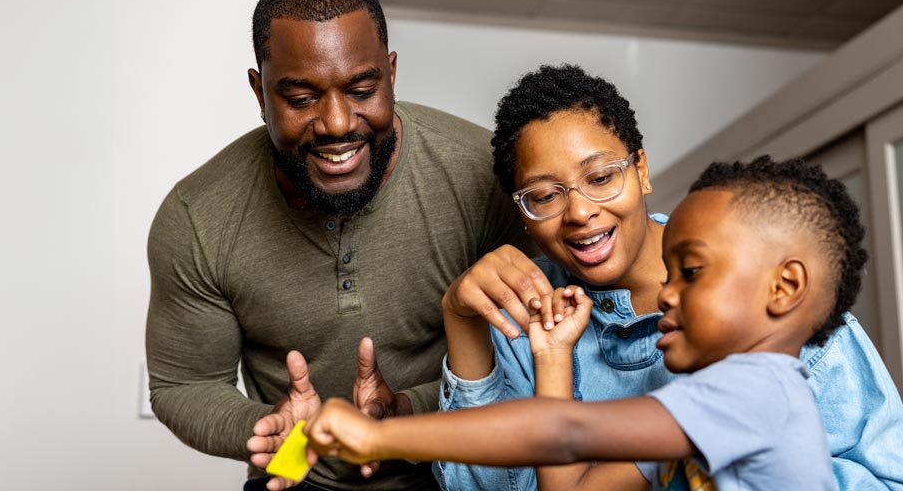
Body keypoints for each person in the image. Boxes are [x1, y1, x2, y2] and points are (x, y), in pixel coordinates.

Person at [144, 0, 534, 491]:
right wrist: (267, 428)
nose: (336, 123)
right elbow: (184, 384)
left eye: (361, 88)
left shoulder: (485, 177)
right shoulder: (198, 216)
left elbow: (537, 356)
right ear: (260, 92)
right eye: (301, 98)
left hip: (449, 469)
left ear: (391, 75)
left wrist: (406, 409)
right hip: (294, 473)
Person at [434, 64, 903, 490]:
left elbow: (888, 477)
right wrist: (461, 321)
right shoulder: (523, 308)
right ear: (523, 212)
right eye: (544, 196)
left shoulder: (770, 301)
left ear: (641, 170)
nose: (579, 211)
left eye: (600, 178)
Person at [303, 155, 861, 490]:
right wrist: (552, 358)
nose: (665, 293)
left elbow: (563, 435)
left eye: (690, 271)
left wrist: (379, 436)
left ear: (784, 288)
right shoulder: (702, 409)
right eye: (668, 273)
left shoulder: (756, 391)